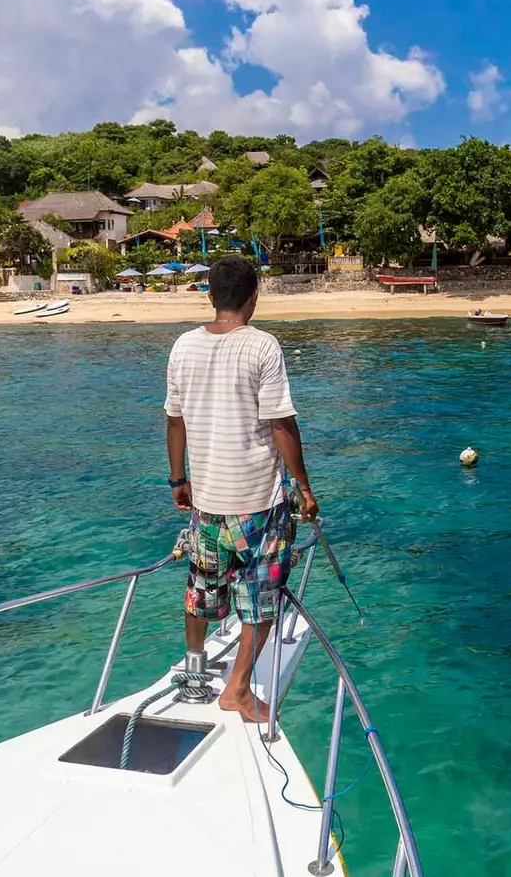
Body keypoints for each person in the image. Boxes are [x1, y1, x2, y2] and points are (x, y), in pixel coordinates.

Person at [164, 255, 319, 721]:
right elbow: (280, 423)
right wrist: (305, 487)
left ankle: (194, 674)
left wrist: (178, 479)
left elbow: (175, 419)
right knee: (260, 599)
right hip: (258, 504)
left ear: (210, 295)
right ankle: (236, 690)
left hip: (207, 502)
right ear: (254, 297)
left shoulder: (183, 347)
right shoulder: (262, 347)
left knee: (201, 592)